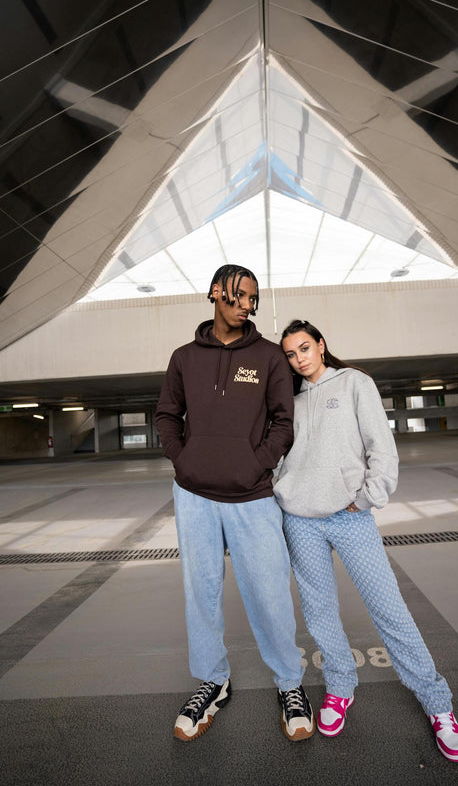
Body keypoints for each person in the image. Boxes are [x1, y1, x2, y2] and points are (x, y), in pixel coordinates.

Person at [273, 319, 458, 763]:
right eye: (290, 353)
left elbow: (381, 447)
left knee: (389, 610)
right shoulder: (289, 399)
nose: (299, 358)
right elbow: (280, 454)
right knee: (319, 611)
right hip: (300, 520)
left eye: (305, 348)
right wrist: (280, 490)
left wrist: (365, 499)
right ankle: (340, 687)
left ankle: (439, 706)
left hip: (350, 517)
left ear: (321, 346)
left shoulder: (356, 383)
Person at [155, 267, 315, 743]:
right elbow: (166, 414)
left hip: (252, 496)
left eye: (253, 297)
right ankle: (213, 680)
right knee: (200, 593)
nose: (247, 304)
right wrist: (183, 461)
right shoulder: (184, 358)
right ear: (214, 293)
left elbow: (284, 422)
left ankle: (290, 684)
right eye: (239, 294)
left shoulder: (268, 357)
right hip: (194, 497)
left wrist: (256, 465)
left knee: (268, 593)